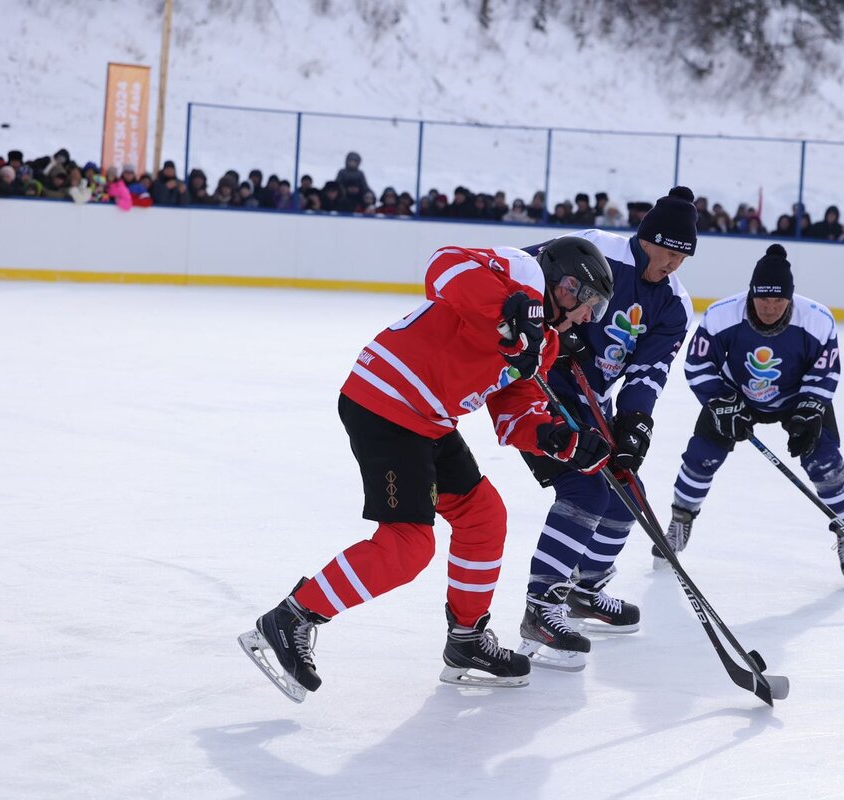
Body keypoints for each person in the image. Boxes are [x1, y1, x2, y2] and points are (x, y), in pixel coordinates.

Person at [239, 237, 616, 701]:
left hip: (430, 420)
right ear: (567, 285)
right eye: (590, 304)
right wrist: (511, 307)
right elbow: (444, 267)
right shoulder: (520, 274)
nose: (588, 318)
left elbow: (514, 413)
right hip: (385, 401)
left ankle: (467, 641)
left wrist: (560, 440)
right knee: (409, 545)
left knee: (484, 516)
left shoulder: (545, 344)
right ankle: (292, 617)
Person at [515, 186, 697, 671]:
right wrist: (552, 326)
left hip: (595, 398)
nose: (676, 262)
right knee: (586, 488)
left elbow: (648, 372)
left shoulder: (676, 306)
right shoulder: (600, 249)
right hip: (544, 382)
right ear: (649, 238)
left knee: (625, 490)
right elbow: (525, 276)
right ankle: (542, 606)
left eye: (685, 254)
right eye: (671, 250)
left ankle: (583, 589)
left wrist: (636, 422)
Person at [660, 244, 844, 583]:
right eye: (763, 299)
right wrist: (722, 403)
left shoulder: (816, 319)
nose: (770, 308)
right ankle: (681, 520)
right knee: (700, 458)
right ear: (751, 294)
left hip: (796, 398)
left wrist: (810, 409)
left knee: (826, 462)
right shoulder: (722, 315)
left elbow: (825, 372)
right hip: (735, 394)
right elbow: (698, 364)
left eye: (778, 301)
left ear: (791, 298)